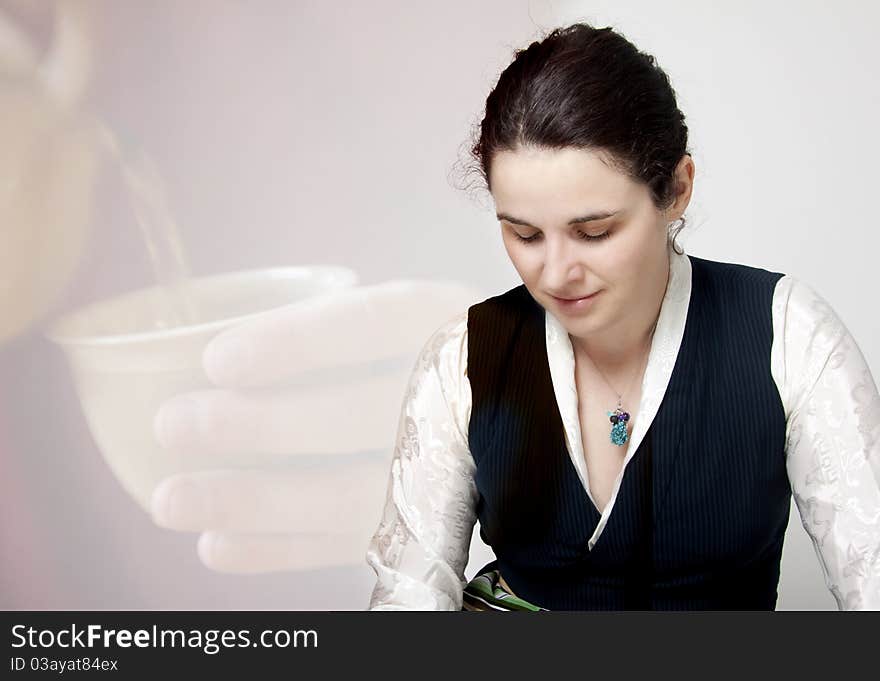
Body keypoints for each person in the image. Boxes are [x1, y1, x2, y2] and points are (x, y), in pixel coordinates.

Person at [364, 22, 880, 611]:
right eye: (524, 234)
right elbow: (409, 594)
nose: (556, 274)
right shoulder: (462, 356)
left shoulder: (788, 334)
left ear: (677, 188)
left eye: (594, 232)